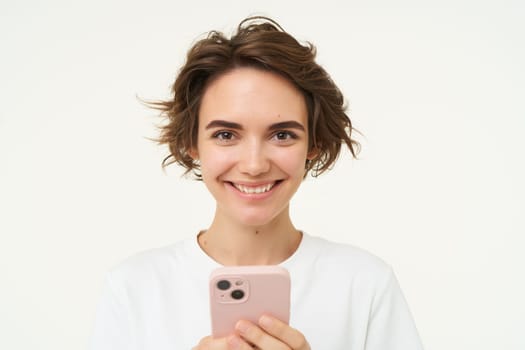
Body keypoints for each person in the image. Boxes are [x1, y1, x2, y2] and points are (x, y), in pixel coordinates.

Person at [90, 16, 423, 350]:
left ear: (313, 144)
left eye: (282, 135)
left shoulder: (365, 284)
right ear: (192, 143)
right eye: (225, 134)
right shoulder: (134, 289)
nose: (254, 165)